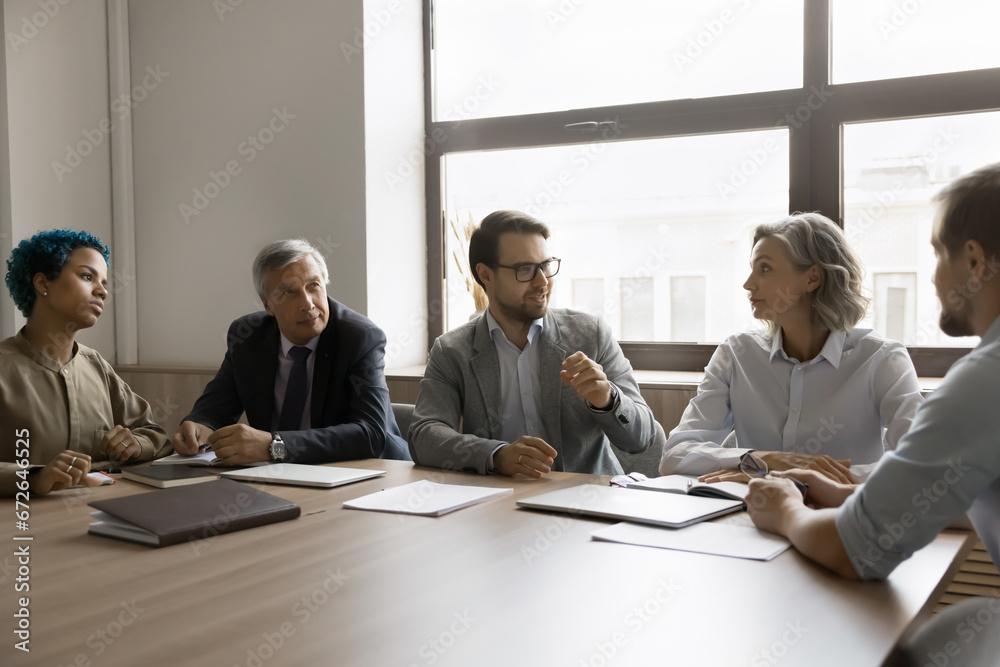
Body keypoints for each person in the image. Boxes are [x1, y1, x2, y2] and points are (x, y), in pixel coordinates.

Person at [746, 162, 1000, 580]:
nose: (934, 277)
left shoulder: (981, 386)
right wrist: (848, 493)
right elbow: (962, 502)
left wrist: (784, 508)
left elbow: (853, 549)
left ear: (974, 262)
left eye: (938, 253)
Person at [659, 213, 923, 483]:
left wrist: (808, 478)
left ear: (812, 278)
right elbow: (674, 456)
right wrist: (761, 460)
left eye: (764, 269)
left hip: (843, 519)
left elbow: (922, 464)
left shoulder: (882, 359)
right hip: (749, 517)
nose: (748, 284)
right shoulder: (736, 355)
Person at [409, 210, 665, 476]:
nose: (542, 282)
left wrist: (608, 400)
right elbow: (424, 435)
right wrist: (495, 455)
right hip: (498, 504)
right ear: (485, 275)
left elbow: (642, 439)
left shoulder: (591, 334)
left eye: (545, 266)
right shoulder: (452, 351)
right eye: (525, 269)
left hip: (588, 502)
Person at [171, 239, 409, 464]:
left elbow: (371, 434)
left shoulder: (359, 337)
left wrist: (275, 446)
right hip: (282, 476)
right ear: (267, 305)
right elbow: (214, 410)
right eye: (289, 292)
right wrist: (198, 426)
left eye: (313, 286)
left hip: (373, 477)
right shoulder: (248, 337)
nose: (308, 304)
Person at [1, 229, 169, 497]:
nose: (102, 291)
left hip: (104, 513)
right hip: (23, 526)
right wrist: (32, 477)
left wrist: (135, 444)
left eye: (104, 282)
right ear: (43, 283)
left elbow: (154, 434)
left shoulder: (97, 367)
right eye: (87, 277)